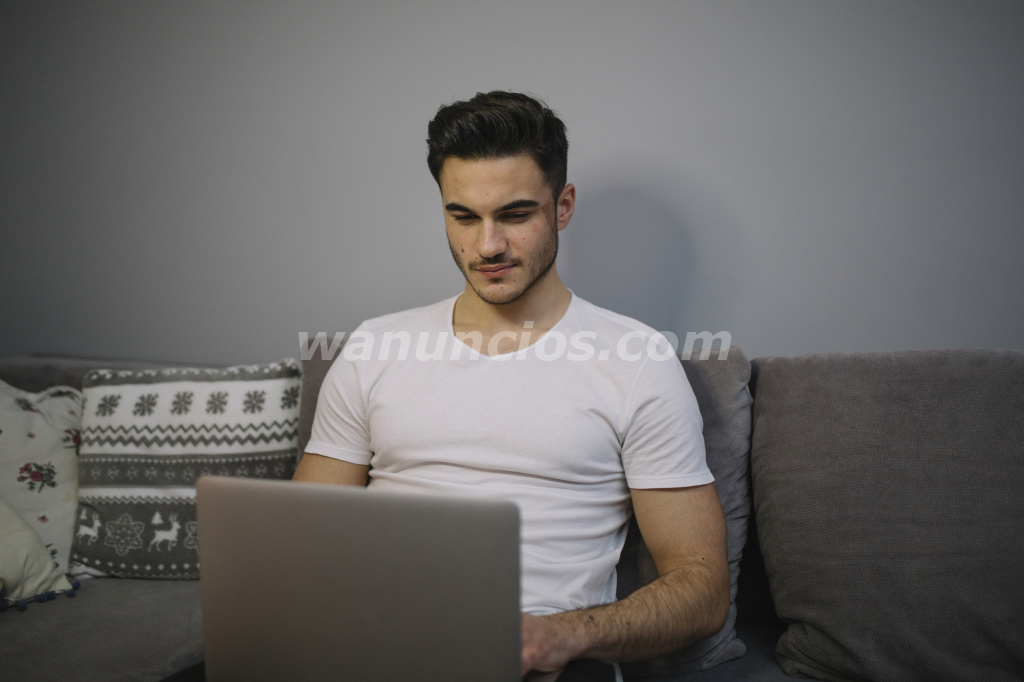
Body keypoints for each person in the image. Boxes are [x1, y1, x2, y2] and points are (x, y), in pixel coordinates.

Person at [293, 91, 729, 680]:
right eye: (463, 217)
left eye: (516, 215)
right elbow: (301, 544)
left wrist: (560, 636)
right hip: (376, 642)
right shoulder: (374, 347)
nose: (488, 246)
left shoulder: (638, 361)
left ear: (563, 206)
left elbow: (702, 589)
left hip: (536, 658)